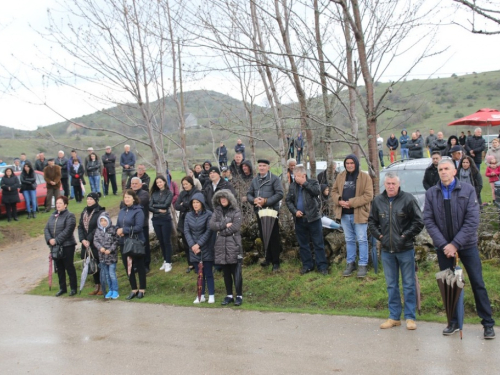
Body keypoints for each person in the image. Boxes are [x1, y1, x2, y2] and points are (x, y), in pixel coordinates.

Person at [423, 159, 495, 339]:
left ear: (454, 171)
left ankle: (487, 323)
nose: (443, 172)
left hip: (466, 245)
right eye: (440, 169)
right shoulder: (432, 193)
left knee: (478, 283)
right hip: (444, 247)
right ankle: (453, 321)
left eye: (447, 168)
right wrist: (444, 245)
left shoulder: (468, 190)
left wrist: (455, 244)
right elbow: (429, 221)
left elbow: (472, 220)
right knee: (449, 286)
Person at [369, 172, 424, 330]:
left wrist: (405, 235)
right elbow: (372, 221)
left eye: (393, 183)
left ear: (399, 184)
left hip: (405, 249)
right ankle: (394, 317)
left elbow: (418, 221)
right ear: (384, 184)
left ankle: (410, 317)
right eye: (388, 183)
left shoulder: (408, 199)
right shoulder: (378, 201)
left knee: (408, 284)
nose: (391, 186)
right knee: (391, 285)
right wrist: (380, 236)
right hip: (387, 250)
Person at [331, 154, 373, 277]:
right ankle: (351, 263)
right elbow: (333, 191)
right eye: (347, 163)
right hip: (344, 214)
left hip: (359, 213)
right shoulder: (341, 176)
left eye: (351, 163)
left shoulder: (365, 177)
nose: (349, 165)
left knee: (361, 239)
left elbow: (368, 195)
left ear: (356, 164)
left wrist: (351, 203)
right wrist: (339, 201)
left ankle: (363, 264)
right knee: (349, 239)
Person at [286, 166, 328, 275]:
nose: (295, 178)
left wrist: (304, 183)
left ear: (304, 175)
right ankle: (307, 265)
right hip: (300, 219)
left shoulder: (313, 182)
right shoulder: (292, 186)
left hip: (313, 218)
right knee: (303, 244)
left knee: (318, 243)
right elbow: (288, 201)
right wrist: (295, 211)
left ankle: (322, 266)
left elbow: (316, 192)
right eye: (294, 176)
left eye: (297, 176)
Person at [247, 159, 284, 271]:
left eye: (264, 166)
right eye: (260, 166)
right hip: (260, 212)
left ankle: (276, 262)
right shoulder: (255, 180)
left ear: (268, 167)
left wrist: (265, 201)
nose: (262, 167)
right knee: (263, 236)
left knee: (273, 237)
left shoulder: (274, 179)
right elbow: (249, 193)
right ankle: (268, 258)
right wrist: (254, 200)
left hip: (271, 212)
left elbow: (280, 194)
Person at [209, 189, 243, 306]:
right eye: (221, 198)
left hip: (233, 244)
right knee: (226, 272)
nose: (223, 200)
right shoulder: (217, 211)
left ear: (230, 199)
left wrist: (221, 230)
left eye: (225, 197)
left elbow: (235, 227)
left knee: (236, 271)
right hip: (220, 245)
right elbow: (212, 225)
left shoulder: (236, 211)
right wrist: (224, 225)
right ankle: (229, 295)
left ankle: (239, 295)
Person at [184, 192, 215, 304]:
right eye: (193, 203)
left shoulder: (209, 214)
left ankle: (211, 294)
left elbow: (209, 231)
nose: (195, 205)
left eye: (197, 202)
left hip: (205, 248)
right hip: (194, 250)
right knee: (199, 274)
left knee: (208, 273)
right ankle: (200, 295)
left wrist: (199, 244)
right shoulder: (188, 215)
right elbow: (186, 231)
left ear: (202, 203)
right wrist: (193, 245)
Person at [44, 196, 77, 297]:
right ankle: (62, 288)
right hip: (55, 247)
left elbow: (68, 230)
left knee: (69, 267)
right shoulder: (53, 215)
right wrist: (50, 240)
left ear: (65, 205)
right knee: (59, 268)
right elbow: (46, 229)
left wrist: (56, 240)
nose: (58, 205)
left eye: (60, 203)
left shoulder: (70, 216)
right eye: (57, 203)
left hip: (67, 246)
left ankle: (73, 288)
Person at [117, 189, 146, 300]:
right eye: (125, 197)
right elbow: (117, 225)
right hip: (124, 243)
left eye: (128, 197)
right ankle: (133, 289)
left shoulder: (138, 211)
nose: (126, 199)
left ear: (133, 198)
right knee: (128, 267)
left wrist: (124, 230)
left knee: (139, 266)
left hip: (135, 242)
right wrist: (117, 230)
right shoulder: (122, 211)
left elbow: (139, 227)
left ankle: (142, 289)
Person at [78, 192, 105, 295]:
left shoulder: (100, 211)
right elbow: (80, 226)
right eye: (88, 199)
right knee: (91, 263)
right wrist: (82, 239)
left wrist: (89, 239)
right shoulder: (84, 211)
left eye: (91, 199)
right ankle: (96, 285)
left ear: (95, 200)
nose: (88, 201)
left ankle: (102, 286)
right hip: (86, 243)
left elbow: (98, 227)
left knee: (99, 263)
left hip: (96, 241)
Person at [125, 177, 151, 272]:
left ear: (140, 184)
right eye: (133, 183)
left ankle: (146, 264)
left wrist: (129, 202)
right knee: (133, 245)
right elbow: (122, 204)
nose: (134, 185)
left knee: (144, 244)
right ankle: (136, 264)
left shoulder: (144, 194)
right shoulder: (129, 193)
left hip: (142, 224)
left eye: (136, 183)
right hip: (130, 224)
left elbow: (139, 202)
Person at [149, 175, 174, 273]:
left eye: (160, 182)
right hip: (156, 220)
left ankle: (169, 262)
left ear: (164, 182)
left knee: (166, 241)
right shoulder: (154, 193)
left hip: (165, 220)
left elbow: (166, 205)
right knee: (161, 241)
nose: (159, 184)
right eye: (157, 182)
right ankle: (165, 260)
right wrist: (159, 209)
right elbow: (149, 206)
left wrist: (155, 206)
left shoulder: (169, 193)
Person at [175, 176, 199, 273]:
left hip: (194, 220)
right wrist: (185, 206)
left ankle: (198, 263)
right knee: (186, 243)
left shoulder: (197, 192)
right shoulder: (182, 193)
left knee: (195, 242)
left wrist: (184, 204)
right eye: (183, 184)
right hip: (183, 220)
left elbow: (194, 206)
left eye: (186, 184)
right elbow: (176, 205)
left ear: (191, 183)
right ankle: (190, 264)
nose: (185, 186)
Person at [93, 212, 119, 299]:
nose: (103, 222)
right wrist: (100, 248)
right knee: (107, 275)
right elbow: (95, 241)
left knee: (112, 274)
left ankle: (115, 290)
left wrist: (110, 250)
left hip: (111, 257)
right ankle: (110, 289)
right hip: (102, 257)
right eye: (102, 221)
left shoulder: (113, 229)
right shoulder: (98, 230)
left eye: (105, 220)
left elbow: (116, 241)